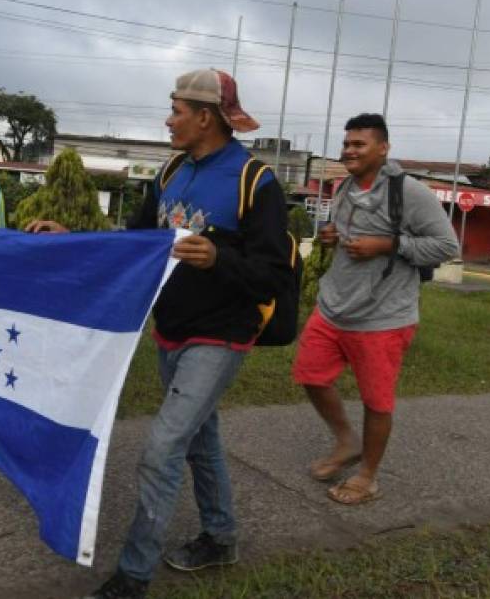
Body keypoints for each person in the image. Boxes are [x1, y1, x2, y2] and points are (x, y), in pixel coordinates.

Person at [27, 69, 293, 599]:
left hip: (222, 334)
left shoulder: (254, 180)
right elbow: (138, 245)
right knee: (199, 439)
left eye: (176, 110)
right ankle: (221, 538)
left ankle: (134, 574)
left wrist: (219, 256)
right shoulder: (171, 171)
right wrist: (74, 236)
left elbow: (274, 273)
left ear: (205, 116)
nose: (168, 119)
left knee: (163, 446)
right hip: (170, 329)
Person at [292, 113, 458, 505]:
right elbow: (348, 234)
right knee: (310, 375)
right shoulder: (344, 187)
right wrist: (333, 236)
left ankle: (367, 475)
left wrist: (388, 245)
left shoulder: (410, 192)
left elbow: (448, 246)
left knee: (376, 400)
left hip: (383, 316)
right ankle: (347, 441)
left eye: (359, 144)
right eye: (347, 143)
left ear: (383, 148)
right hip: (334, 306)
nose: (349, 150)